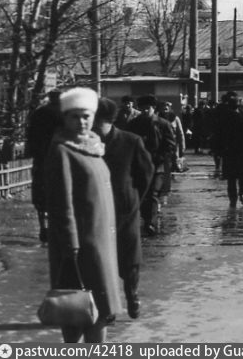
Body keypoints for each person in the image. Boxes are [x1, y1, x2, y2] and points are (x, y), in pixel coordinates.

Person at [44, 87, 122, 343]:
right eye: (75, 116)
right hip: (80, 246)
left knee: (100, 310)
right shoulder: (62, 150)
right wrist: (70, 245)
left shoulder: (94, 147)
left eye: (86, 115)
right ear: (65, 118)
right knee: (78, 310)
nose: (81, 121)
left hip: (101, 242)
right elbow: (61, 203)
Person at [93, 97, 153, 320]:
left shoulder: (131, 141)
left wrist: (134, 198)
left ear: (109, 121)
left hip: (124, 210)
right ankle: (106, 305)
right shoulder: (86, 143)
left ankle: (132, 294)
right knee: (100, 260)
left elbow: (145, 173)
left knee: (129, 259)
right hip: (96, 211)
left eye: (97, 121)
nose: (93, 127)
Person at [121, 95, 176, 236]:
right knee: (141, 193)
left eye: (148, 108)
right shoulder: (133, 124)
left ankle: (149, 223)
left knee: (153, 193)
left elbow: (170, 144)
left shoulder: (163, 124)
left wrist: (162, 157)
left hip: (157, 165)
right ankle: (145, 218)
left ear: (154, 108)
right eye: (143, 108)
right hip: (138, 165)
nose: (145, 111)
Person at [25, 91, 61, 243]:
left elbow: (31, 135)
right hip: (59, 158)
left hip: (41, 159)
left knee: (41, 195)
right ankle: (55, 227)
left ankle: (43, 226)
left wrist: (31, 152)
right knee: (59, 194)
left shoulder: (38, 113)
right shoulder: (64, 114)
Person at [217, 94, 243, 206]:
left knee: (231, 177)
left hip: (228, 152)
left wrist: (218, 150)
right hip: (242, 151)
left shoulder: (224, 117)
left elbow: (219, 134)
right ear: (238, 106)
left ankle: (232, 199)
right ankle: (242, 193)